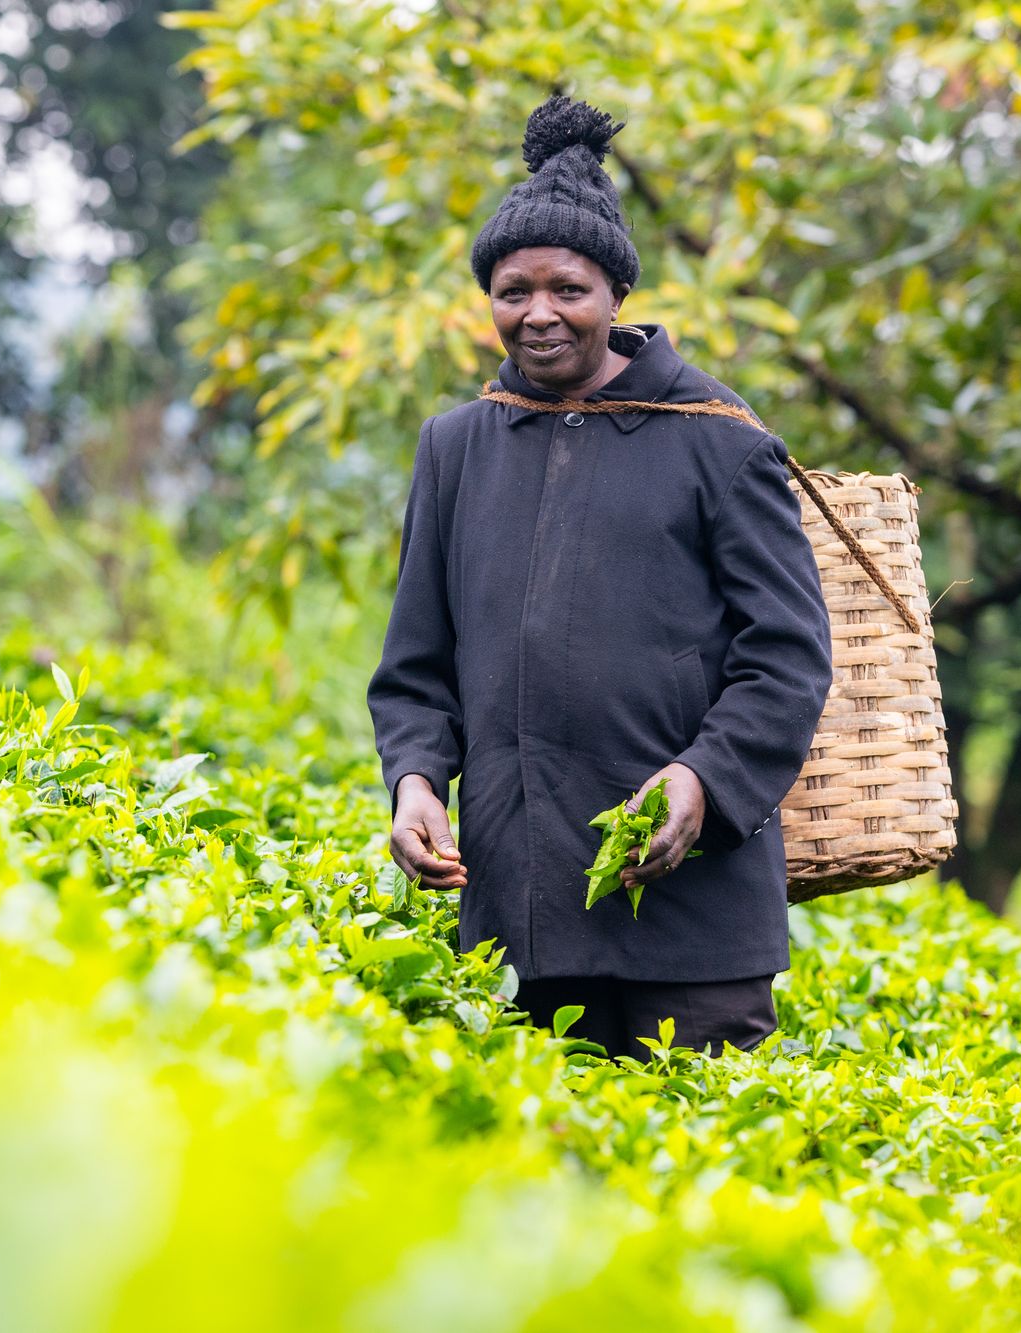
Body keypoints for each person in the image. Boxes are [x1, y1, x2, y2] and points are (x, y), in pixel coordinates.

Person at [365, 93, 835, 1060]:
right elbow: (417, 666)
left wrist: (702, 781)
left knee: (700, 1179)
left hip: (693, 926)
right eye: (513, 289)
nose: (538, 313)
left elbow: (787, 662)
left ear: (616, 295)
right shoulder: (455, 447)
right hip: (520, 917)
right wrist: (415, 779)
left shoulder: (721, 443)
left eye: (568, 289)